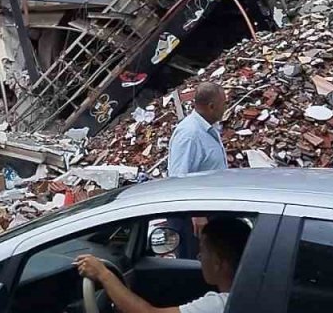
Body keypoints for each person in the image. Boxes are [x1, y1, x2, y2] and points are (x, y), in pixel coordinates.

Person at [74, 217, 251, 313]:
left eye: (203, 251)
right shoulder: (248, 295)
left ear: (220, 263)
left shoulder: (222, 305)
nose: (198, 256)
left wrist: (104, 275)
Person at [165, 82, 228, 258]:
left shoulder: (208, 127)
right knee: (194, 269)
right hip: (192, 220)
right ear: (211, 106)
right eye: (224, 103)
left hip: (208, 213)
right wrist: (197, 213)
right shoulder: (190, 134)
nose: (226, 107)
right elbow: (178, 179)